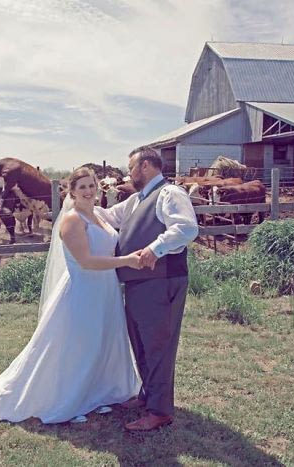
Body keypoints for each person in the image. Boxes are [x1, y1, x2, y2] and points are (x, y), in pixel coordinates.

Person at [0, 167, 142, 424]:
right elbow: (86, 261)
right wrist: (126, 261)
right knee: (78, 344)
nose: (88, 191)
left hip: (106, 290)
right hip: (83, 290)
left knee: (102, 340)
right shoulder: (72, 220)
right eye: (82, 187)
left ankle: (96, 393)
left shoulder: (100, 216)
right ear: (72, 192)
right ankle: (69, 398)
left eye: (91, 186)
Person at [97, 148, 199, 431]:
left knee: (158, 346)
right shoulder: (133, 202)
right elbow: (105, 216)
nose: (129, 173)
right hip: (138, 283)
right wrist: (77, 200)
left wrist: (155, 249)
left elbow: (186, 229)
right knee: (141, 343)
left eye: (131, 167)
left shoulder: (170, 194)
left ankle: (160, 411)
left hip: (162, 280)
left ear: (144, 166)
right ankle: (148, 395)